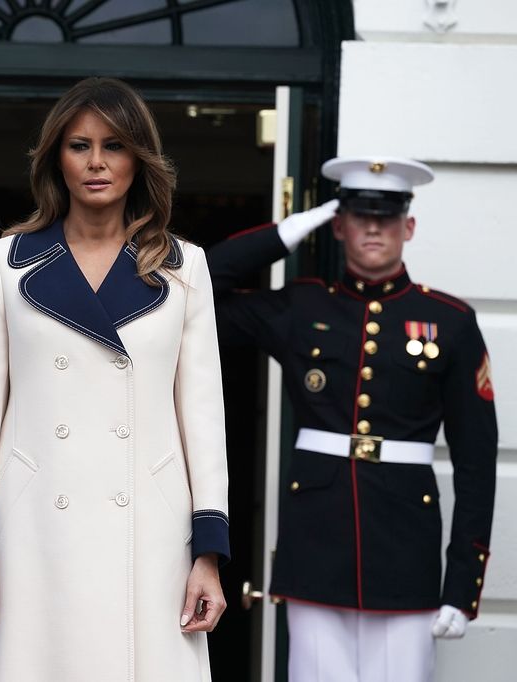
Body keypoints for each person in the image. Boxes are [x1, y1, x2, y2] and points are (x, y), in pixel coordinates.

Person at [0, 77, 230, 682]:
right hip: (31, 529)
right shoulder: (6, 262)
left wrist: (208, 550)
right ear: (57, 157)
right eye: (80, 145)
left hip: (152, 534)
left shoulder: (186, 269)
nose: (98, 162)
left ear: (141, 159)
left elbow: (203, 419)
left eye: (116, 145)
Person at [207, 157, 498, 682]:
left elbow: (477, 466)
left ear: (407, 227)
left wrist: (462, 587)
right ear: (338, 224)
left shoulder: (449, 322)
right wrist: (290, 230)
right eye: (357, 215)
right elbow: (198, 291)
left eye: (385, 218)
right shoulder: (301, 308)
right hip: (316, 544)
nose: (371, 228)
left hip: (404, 551)